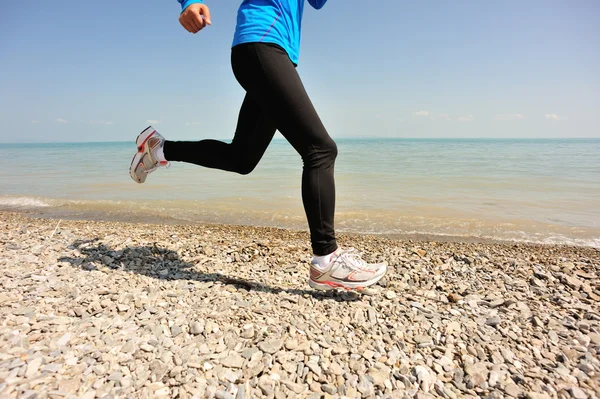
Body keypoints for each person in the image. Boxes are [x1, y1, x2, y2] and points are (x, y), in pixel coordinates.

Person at [129, 0, 387, 290]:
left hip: (271, 54)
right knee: (321, 149)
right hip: (262, 44)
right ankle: (326, 259)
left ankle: (159, 149)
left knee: (241, 159)